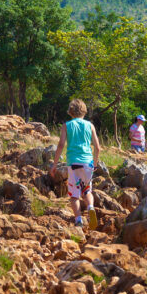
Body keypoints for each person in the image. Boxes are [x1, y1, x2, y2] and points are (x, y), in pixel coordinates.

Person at [51, 99, 101, 230]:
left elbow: (61, 144)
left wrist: (54, 165)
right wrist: (94, 164)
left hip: (73, 163)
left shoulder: (67, 125)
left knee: (74, 195)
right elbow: (98, 147)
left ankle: (78, 219)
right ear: (84, 111)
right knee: (87, 191)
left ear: (70, 111)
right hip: (88, 162)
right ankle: (90, 207)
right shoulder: (90, 125)